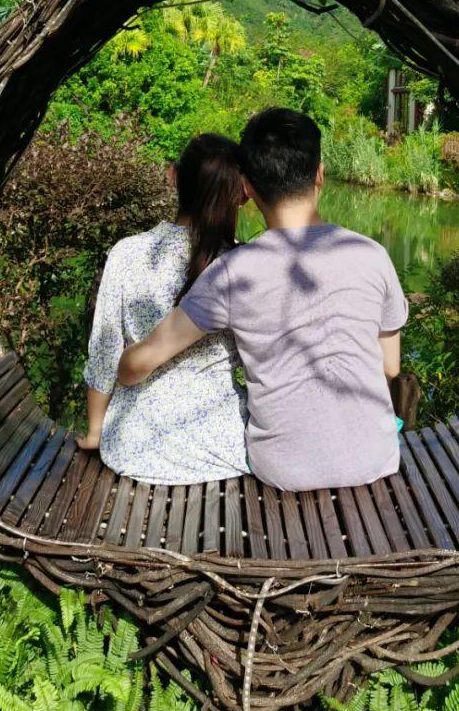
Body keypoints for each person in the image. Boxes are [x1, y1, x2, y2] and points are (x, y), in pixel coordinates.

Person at [117, 108, 408, 492]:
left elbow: (143, 361)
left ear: (248, 189)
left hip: (283, 470)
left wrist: (122, 368)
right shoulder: (372, 255)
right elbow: (390, 366)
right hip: (376, 458)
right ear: (320, 175)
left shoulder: (233, 273)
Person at [77, 133, 249, 484]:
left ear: (173, 176)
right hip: (223, 450)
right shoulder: (243, 264)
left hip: (134, 448)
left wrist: (96, 432)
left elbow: (105, 354)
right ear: (241, 195)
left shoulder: (126, 254)